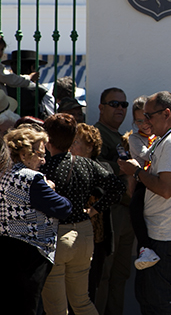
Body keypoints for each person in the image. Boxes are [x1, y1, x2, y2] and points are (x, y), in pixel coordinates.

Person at [117, 91, 171, 315]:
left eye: (149, 116)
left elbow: (165, 189)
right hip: (163, 230)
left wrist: (135, 172)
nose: (146, 122)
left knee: (161, 299)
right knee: (148, 296)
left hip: (165, 233)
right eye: (142, 117)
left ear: (166, 113)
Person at [40, 113, 125, 315]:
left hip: (57, 236)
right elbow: (117, 188)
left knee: (56, 309)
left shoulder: (45, 167)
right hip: (84, 236)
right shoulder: (87, 164)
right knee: (82, 302)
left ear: (48, 139)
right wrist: (93, 210)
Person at [0, 126, 72, 315]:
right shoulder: (31, 179)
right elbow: (64, 208)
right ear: (24, 154)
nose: (43, 160)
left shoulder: (4, 173)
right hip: (30, 252)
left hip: (6, 247)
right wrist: (50, 188)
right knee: (29, 306)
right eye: (40, 154)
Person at [93, 87, 135, 315]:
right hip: (110, 213)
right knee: (105, 274)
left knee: (121, 274)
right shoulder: (96, 134)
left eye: (124, 105)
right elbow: (97, 169)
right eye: (114, 104)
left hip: (127, 214)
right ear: (101, 107)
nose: (120, 108)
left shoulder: (122, 137)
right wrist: (124, 169)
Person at [69, 123, 109, 302]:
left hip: (95, 240)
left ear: (90, 147)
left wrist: (92, 211)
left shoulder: (102, 168)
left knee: (88, 292)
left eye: (76, 142)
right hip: (71, 239)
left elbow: (110, 193)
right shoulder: (66, 167)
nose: (71, 146)